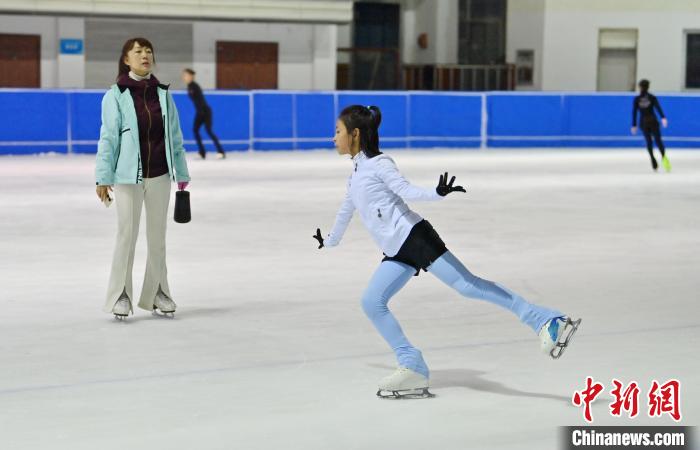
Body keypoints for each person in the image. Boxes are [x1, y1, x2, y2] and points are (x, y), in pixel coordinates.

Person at [313, 105, 581, 398]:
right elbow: (346, 209)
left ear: (355, 134)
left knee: (468, 285)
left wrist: (435, 193)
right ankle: (412, 365)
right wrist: (329, 240)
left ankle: (545, 320)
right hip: (395, 250)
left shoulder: (379, 164)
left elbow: (406, 189)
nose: (333, 137)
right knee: (371, 301)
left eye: (337, 131)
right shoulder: (356, 173)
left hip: (415, 238)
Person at [95, 37, 191, 320]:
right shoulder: (115, 95)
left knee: (158, 238)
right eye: (138, 52)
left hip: (160, 174)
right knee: (126, 236)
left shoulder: (163, 93)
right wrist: (103, 177)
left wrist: (181, 173)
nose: (145, 55)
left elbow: (175, 136)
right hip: (127, 177)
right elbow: (108, 139)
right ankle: (119, 295)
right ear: (126, 60)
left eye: (149, 51)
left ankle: (158, 291)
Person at [181, 68, 226, 159]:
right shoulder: (190, 86)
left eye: (185, 75)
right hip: (200, 111)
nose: (183, 77)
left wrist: (201, 112)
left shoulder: (194, 86)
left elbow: (200, 100)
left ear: (191, 76)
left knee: (208, 130)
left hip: (204, 111)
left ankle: (221, 152)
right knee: (195, 130)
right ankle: (202, 152)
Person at [631, 79, 671, 172]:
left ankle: (653, 160)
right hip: (653, 121)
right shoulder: (652, 97)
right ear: (648, 87)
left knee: (649, 142)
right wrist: (663, 117)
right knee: (658, 141)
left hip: (644, 123)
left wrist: (634, 125)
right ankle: (664, 158)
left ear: (640, 87)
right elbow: (658, 108)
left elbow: (634, 112)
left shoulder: (637, 99)